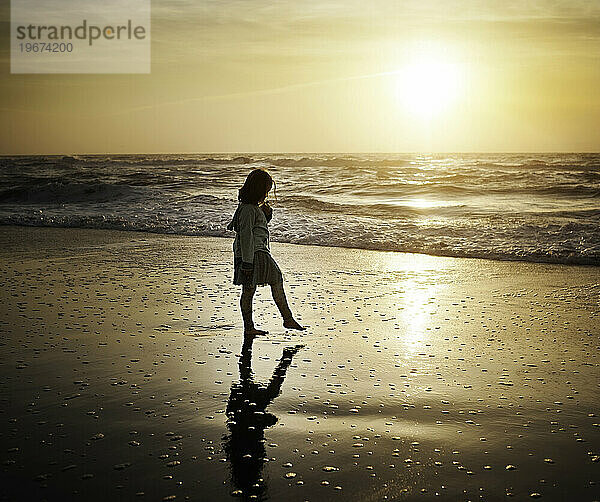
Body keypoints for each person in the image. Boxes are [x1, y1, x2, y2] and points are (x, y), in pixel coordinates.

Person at [227, 168, 305, 336]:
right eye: (265, 192)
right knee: (272, 279)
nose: (266, 196)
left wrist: (266, 216)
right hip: (254, 253)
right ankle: (286, 319)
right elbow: (246, 235)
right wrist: (247, 263)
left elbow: (256, 228)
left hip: (254, 252)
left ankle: (252, 327)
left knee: (250, 289)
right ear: (257, 190)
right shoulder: (248, 209)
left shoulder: (250, 208)